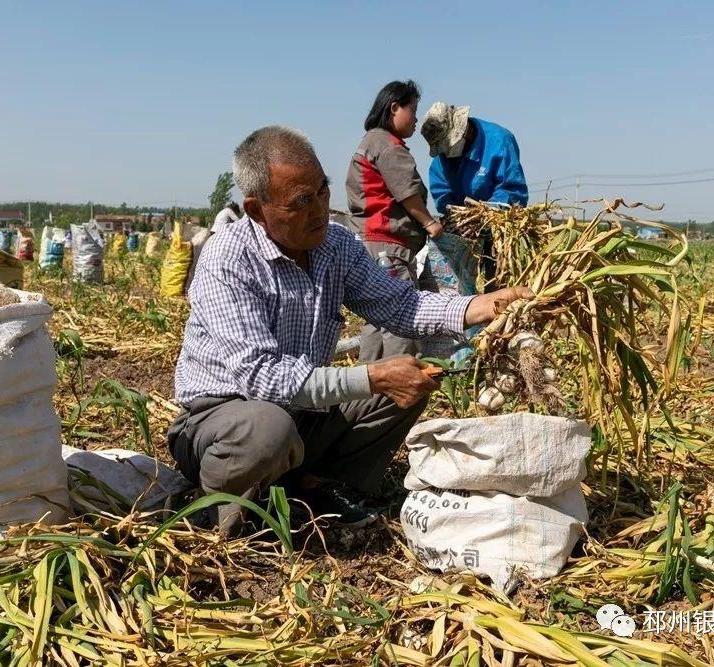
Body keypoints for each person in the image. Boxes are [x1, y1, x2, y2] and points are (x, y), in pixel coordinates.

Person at [169, 126, 533, 535]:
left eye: (322, 191)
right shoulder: (228, 257)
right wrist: (371, 376)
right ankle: (215, 500)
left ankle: (312, 487)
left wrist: (474, 307)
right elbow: (263, 379)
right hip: (224, 421)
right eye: (302, 201)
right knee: (268, 428)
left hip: (302, 413)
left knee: (412, 381)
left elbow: (400, 304)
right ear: (256, 209)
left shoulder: (335, 246)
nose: (321, 209)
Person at [345, 80, 445, 362]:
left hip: (370, 244)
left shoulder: (369, 141)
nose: (416, 119)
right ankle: (396, 391)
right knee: (400, 318)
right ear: (394, 108)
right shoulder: (388, 145)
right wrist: (430, 224)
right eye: (413, 110)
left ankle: (367, 394)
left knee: (376, 319)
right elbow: (407, 191)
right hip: (388, 246)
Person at [421, 102, 528, 291]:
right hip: (463, 229)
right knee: (456, 282)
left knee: (497, 283)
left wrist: (485, 215)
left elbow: (512, 189)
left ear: (463, 131)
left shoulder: (500, 141)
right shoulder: (442, 153)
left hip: (499, 225)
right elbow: (441, 190)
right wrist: (457, 215)